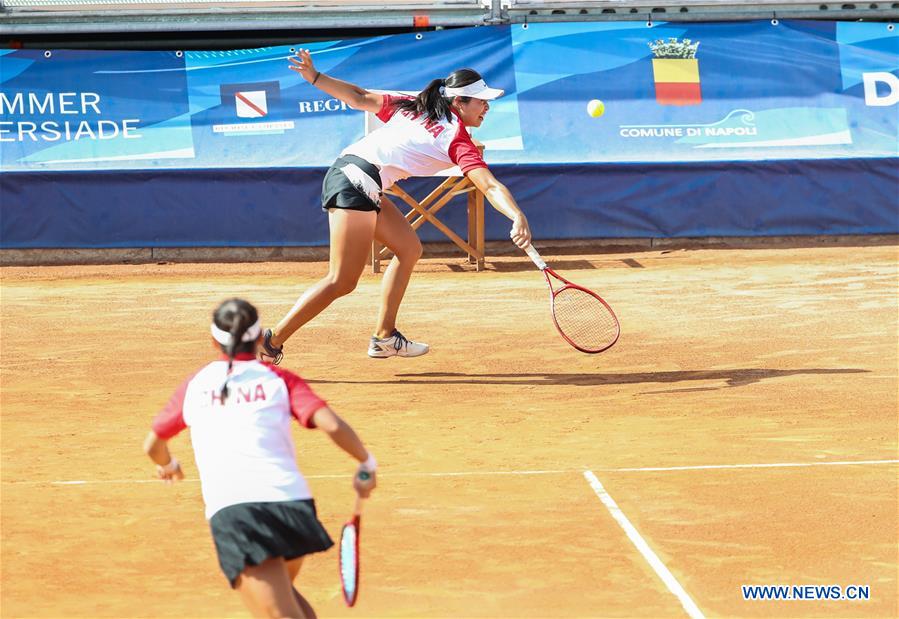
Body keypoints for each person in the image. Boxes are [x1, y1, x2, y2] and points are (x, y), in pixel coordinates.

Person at [260, 51, 533, 364]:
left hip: (357, 177)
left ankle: (384, 337)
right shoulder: (454, 137)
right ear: (459, 102)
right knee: (341, 280)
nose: (487, 107)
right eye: (481, 101)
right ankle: (270, 342)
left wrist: (315, 78)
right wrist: (516, 214)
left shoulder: (415, 104)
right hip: (355, 180)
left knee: (409, 248)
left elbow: (359, 97)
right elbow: (489, 185)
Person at [143, 298, 377, 619]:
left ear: (214, 341)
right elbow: (333, 426)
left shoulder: (196, 385)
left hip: (241, 514)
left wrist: (169, 466)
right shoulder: (279, 379)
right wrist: (366, 463)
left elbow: (153, 444)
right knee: (290, 603)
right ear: (258, 338)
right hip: (294, 508)